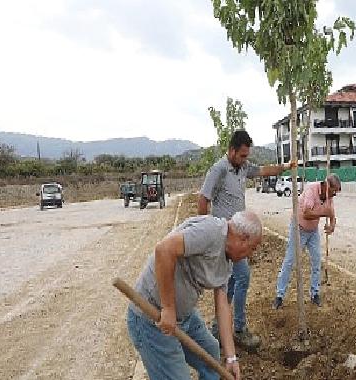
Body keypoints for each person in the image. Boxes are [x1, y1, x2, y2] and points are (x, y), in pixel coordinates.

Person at [126, 210, 263, 380]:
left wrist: (231, 357)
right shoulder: (211, 232)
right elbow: (164, 249)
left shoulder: (227, 261)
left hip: (184, 316)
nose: (251, 255)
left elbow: (223, 306)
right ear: (243, 238)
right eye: (252, 248)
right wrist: (168, 308)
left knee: (210, 351)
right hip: (153, 319)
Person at [198, 130, 294, 350]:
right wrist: (206, 231)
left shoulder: (243, 168)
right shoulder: (219, 169)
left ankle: (220, 331)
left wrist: (287, 166)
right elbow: (203, 199)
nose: (245, 160)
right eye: (241, 155)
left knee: (231, 282)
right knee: (237, 279)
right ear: (231, 150)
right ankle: (235, 330)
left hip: (238, 240)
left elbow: (264, 170)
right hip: (223, 239)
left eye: (246, 156)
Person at [272, 174, 341, 309]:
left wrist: (332, 226)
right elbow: (306, 213)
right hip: (298, 228)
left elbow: (332, 215)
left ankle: (315, 294)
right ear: (326, 186)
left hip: (313, 232)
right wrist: (323, 213)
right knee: (289, 261)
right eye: (334, 191)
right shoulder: (311, 190)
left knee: (316, 261)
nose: (335, 194)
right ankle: (279, 296)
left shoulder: (329, 197)